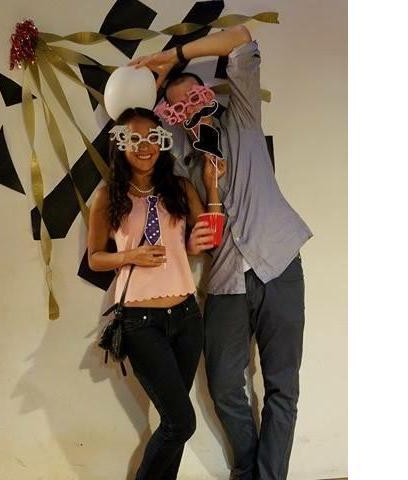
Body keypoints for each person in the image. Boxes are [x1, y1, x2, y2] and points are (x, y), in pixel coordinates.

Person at [129, 25, 313, 480]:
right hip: (227, 279)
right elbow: (141, 133)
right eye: (178, 108)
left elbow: (240, 37)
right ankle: (249, 471)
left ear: (209, 97)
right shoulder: (182, 163)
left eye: (195, 99)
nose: (189, 111)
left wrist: (175, 56)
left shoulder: (243, 119)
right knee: (225, 385)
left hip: (279, 263)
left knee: (282, 386)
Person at [88, 107, 224, 480]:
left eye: (152, 137)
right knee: (181, 423)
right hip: (140, 323)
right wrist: (129, 256)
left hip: (186, 317)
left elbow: (209, 236)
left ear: (162, 143)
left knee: (173, 423)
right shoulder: (107, 197)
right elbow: (95, 258)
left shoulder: (179, 188)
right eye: (134, 138)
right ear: (120, 144)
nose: (144, 145)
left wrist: (211, 188)